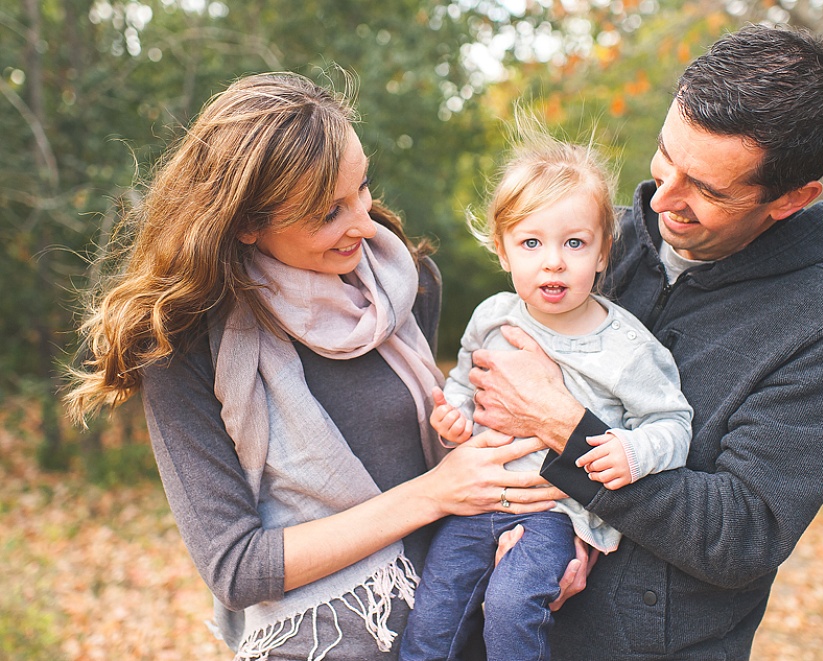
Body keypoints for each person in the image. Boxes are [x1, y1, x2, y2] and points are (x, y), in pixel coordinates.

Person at [62, 72, 569, 660]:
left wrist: (549, 534)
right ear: (248, 223)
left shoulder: (406, 286)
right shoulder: (181, 345)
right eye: (329, 211)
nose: (363, 222)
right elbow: (235, 566)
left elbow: (468, 450)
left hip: (454, 618)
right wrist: (433, 494)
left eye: (363, 188)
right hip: (320, 643)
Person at [464, 25, 823, 659]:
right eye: (666, 157)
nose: (663, 199)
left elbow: (743, 534)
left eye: (709, 190)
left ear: (791, 200)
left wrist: (565, 429)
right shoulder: (597, 246)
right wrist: (527, 518)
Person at [399, 121, 693, 661]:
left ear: (603, 253)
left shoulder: (628, 347)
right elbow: (465, 382)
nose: (553, 260)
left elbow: (673, 424)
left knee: (513, 610)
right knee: (432, 619)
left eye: (574, 243)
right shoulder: (492, 317)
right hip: (476, 501)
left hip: (555, 513)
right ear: (504, 252)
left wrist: (630, 452)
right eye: (531, 242)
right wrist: (455, 415)